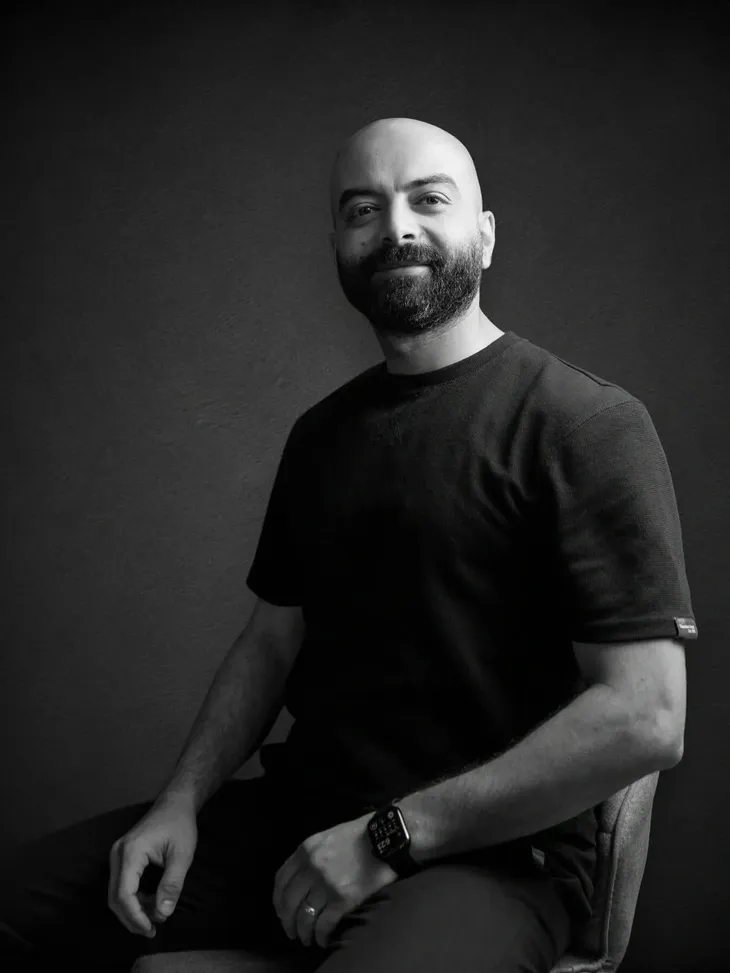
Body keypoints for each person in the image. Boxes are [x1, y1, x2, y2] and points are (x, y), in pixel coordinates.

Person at [0, 117, 696, 973]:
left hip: (495, 857)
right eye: (363, 209)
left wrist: (389, 836)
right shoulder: (321, 436)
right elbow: (272, 639)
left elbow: (646, 717)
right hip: (302, 824)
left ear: (484, 234)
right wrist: (179, 802)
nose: (395, 227)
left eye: (428, 200)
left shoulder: (586, 424)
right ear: (337, 245)